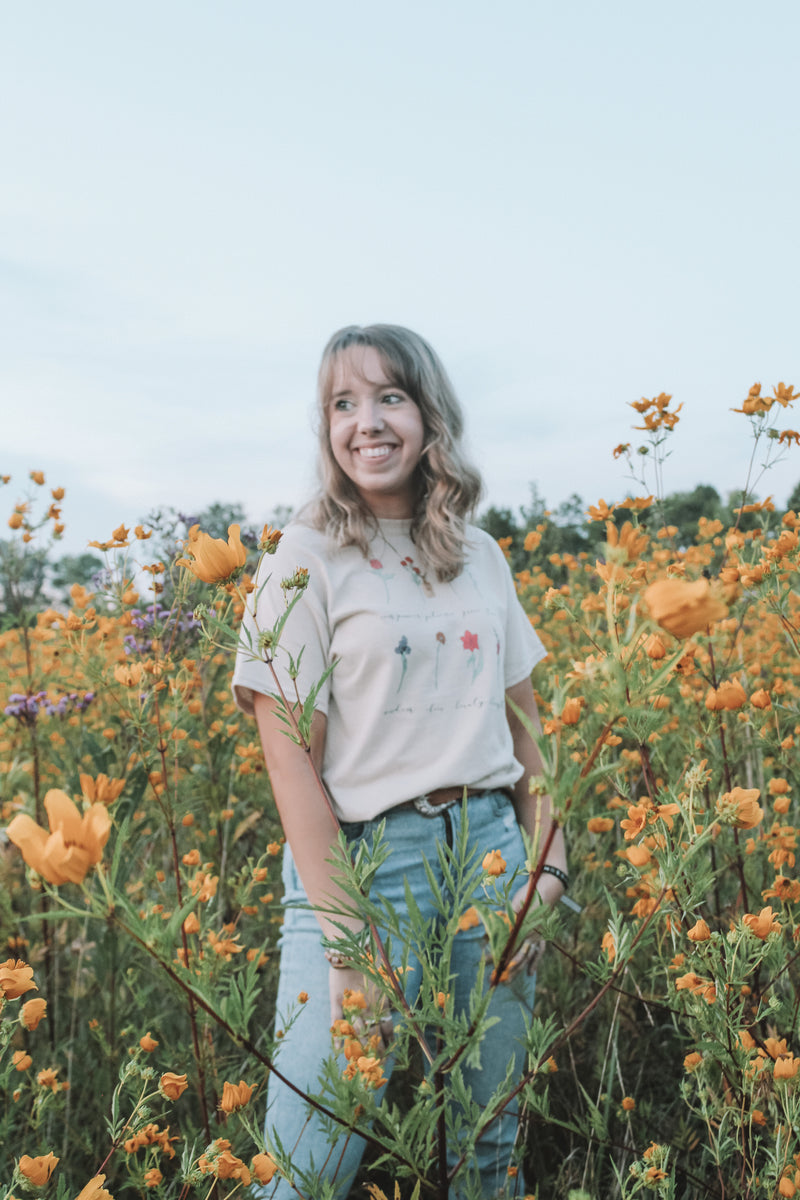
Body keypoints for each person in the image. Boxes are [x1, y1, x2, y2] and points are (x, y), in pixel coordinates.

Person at [232, 324, 567, 1199]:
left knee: (486, 1153)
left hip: (493, 859)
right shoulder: (302, 558)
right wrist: (348, 942)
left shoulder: (482, 555)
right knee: (313, 1161)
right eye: (343, 404)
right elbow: (289, 763)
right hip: (362, 869)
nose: (365, 423)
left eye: (388, 397)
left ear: (428, 417)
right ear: (326, 428)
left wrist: (548, 873)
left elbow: (530, 739)